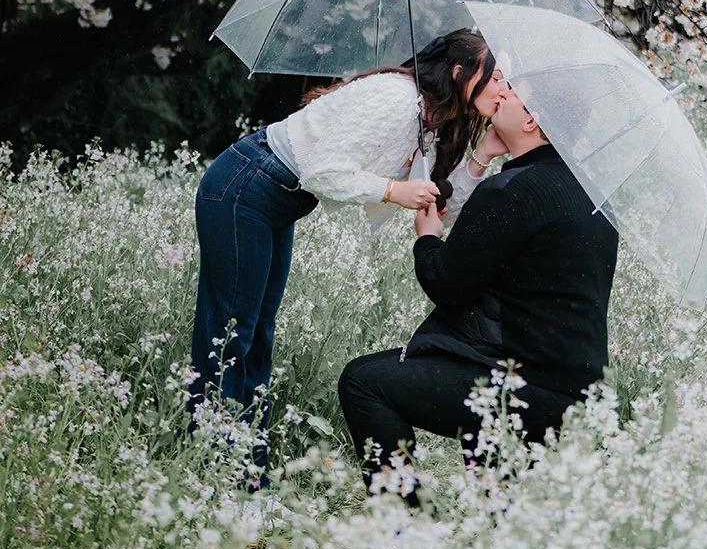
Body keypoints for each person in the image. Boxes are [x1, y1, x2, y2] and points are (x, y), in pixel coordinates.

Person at [189, 30, 488, 470]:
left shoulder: (430, 120)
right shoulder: (395, 98)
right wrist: (391, 189)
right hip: (245, 185)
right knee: (231, 333)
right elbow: (321, 169)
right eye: (493, 76)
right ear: (461, 73)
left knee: (256, 337)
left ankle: (247, 471)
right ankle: (218, 472)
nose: (502, 86)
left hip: (274, 198)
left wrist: (483, 155)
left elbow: (441, 204)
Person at [338, 33, 619, 490]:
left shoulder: (512, 193)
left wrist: (427, 240)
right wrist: (484, 154)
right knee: (491, 501)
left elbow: (448, 284)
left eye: (513, 94)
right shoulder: (592, 194)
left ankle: (401, 527)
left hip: (513, 384)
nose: (501, 92)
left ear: (531, 122)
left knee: (364, 381)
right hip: (569, 389)